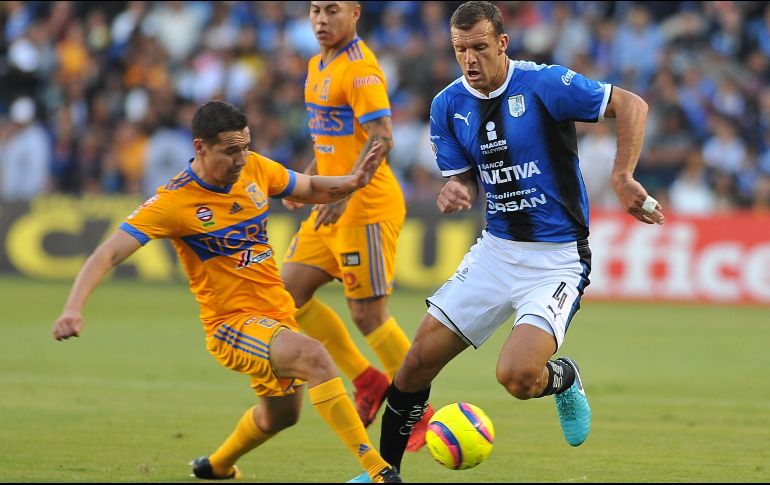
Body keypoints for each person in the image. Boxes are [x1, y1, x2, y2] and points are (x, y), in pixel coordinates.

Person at [359, 1, 666, 479]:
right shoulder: (446, 106)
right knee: (416, 362)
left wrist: (623, 176)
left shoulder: (543, 84)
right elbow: (463, 175)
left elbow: (631, 104)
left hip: (557, 258)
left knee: (517, 377)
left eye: (480, 47)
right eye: (460, 49)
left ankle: (564, 377)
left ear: (502, 43)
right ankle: (384, 474)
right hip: (497, 251)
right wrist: (458, 186)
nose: (470, 59)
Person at [52, 100, 402, 483]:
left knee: (281, 416)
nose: (240, 159)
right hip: (231, 325)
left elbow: (310, 187)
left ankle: (217, 466)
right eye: (231, 150)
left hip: (277, 314)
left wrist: (352, 183)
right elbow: (106, 254)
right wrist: (73, 308)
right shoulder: (174, 202)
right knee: (314, 356)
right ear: (200, 147)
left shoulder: (255, 169)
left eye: (245, 147)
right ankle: (379, 470)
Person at [281, 0, 433, 448]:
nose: (321, 20)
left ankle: (417, 410)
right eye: (315, 10)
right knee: (287, 296)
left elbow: (382, 138)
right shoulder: (316, 66)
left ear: (355, 14)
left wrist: (344, 193)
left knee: (368, 315)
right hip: (330, 201)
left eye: (333, 10)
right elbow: (334, 143)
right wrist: (308, 180)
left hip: (365, 206)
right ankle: (367, 381)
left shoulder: (361, 70)